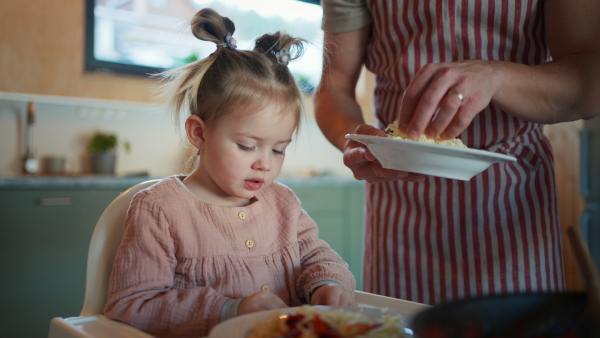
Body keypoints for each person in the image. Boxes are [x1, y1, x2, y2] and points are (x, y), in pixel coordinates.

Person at [314, 0, 600, 306]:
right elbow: (334, 89)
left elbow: (589, 84)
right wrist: (357, 142)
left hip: (516, 204)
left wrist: (496, 77)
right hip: (398, 207)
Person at [104, 8, 356, 338]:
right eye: (247, 146)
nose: (265, 163)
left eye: (279, 149)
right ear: (199, 133)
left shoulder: (283, 203)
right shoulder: (160, 209)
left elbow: (317, 258)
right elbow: (132, 304)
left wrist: (327, 282)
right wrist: (227, 311)